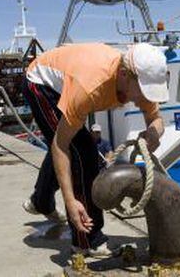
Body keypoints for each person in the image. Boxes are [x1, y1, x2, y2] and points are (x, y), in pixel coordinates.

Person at [21, 42, 168, 258]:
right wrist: (71, 202)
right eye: (144, 90)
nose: (145, 98)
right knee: (83, 152)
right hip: (40, 82)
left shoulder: (136, 80)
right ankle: (87, 240)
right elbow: (60, 146)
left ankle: (41, 200)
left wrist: (154, 133)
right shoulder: (90, 87)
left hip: (70, 76)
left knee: (72, 142)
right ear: (125, 75)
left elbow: (155, 119)